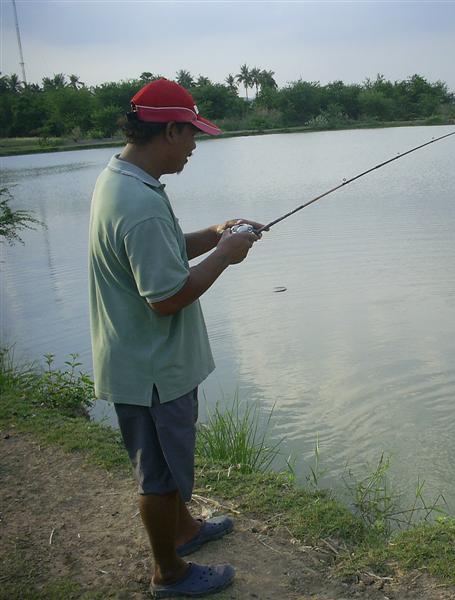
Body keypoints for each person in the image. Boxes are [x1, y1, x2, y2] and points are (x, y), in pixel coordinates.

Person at [88, 78, 263, 598]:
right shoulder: (138, 203)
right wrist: (225, 256)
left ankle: (184, 530)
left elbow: (159, 252)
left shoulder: (123, 180)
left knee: (164, 465)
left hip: (145, 363)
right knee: (159, 476)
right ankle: (169, 573)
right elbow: (164, 297)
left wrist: (214, 235)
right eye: (192, 135)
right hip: (150, 373)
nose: (194, 147)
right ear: (168, 130)